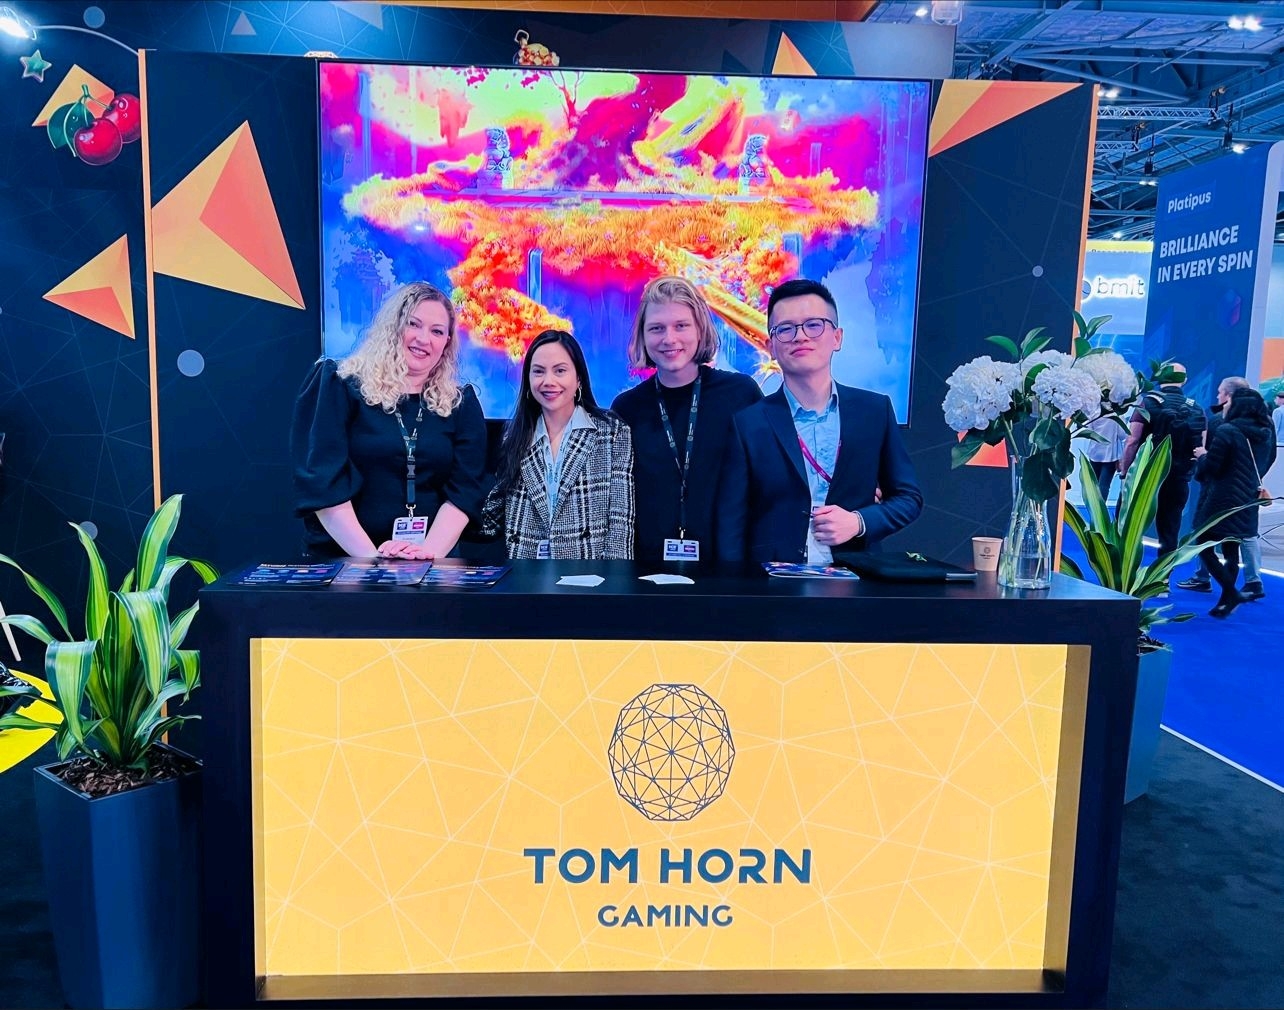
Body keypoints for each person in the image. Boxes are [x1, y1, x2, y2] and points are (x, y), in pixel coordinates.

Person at [716, 278, 923, 564]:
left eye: (814, 325)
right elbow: (731, 522)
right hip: (773, 579)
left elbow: (908, 498)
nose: (800, 336)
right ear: (771, 346)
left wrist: (859, 522)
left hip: (856, 574)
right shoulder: (748, 423)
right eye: (785, 329)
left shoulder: (874, 411)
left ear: (837, 337)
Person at [291, 281, 487, 559]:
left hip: (431, 560)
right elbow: (323, 483)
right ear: (393, 327)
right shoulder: (340, 384)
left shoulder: (460, 402)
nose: (423, 339)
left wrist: (424, 557)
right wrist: (373, 562)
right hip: (347, 560)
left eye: (437, 331)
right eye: (413, 324)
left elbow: (465, 490)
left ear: (447, 342)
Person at [610, 276, 763, 561]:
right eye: (656, 328)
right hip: (646, 570)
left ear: (700, 329)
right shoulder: (626, 408)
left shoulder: (741, 395)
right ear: (643, 335)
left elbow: (768, 482)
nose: (669, 339)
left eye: (681, 326)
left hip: (729, 568)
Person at [488, 329, 634, 559]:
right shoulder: (515, 435)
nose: (548, 381)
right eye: (538, 371)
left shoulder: (612, 433)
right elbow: (494, 516)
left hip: (588, 572)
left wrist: (615, 576)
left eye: (560, 371)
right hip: (526, 570)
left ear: (579, 379)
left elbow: (620, 521)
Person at [1177, 378, 1275, 600]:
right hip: (1249, 487)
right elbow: (1271, 455)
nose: (1218, 396)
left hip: (1219, 489)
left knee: (1206, 534)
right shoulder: (1266, 423)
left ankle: (1204, 577)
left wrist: (1202, 460)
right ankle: (1252, 581)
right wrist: (1253, 476)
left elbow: (1213, 463)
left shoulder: (1222, 424)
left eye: (1221, 392)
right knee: (1246, 533)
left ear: (1230, 396)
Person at [1119, 363, 1205, 559]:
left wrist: (1125, 471)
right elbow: (1200, 447)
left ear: (1160, 379)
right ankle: (1163, 574)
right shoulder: (1196, 408)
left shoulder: (1147, 403)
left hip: (1144, 478)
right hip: (1178, 479)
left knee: (1129, 526)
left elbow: (1132, 441)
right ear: (1184, 380)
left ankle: (1122, 571)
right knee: (1170, 531)